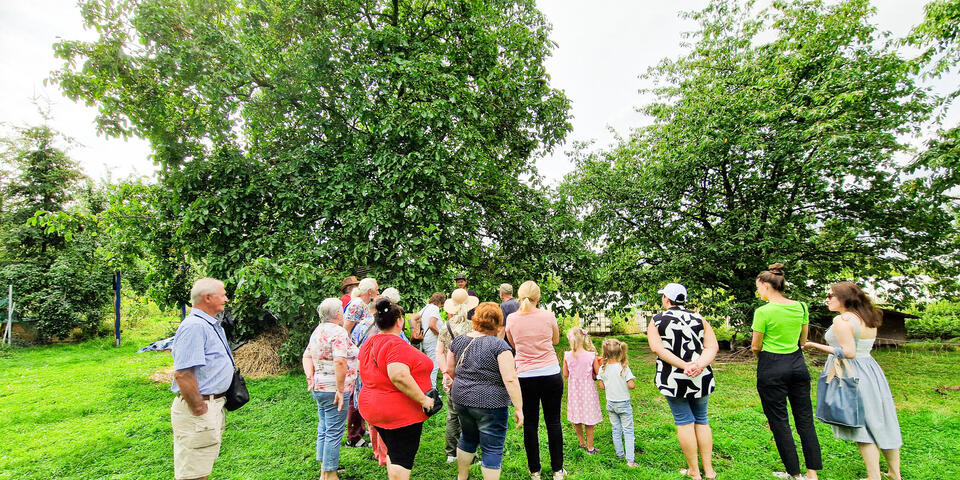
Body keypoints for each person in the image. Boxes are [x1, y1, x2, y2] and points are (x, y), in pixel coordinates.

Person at [803, 282, 902, 480]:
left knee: (862, 425)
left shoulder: (843, 320)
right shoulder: (867, 316)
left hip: (853, 373)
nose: (827, 299)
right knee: (882, 421)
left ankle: (874, 476)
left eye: (831, 295)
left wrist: (814, 345)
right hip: (871, 370)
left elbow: (848, 353)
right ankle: (894, 473)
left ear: (845, 298)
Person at [752, 263, 822, 480]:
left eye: (758, 287)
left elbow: (756, 346)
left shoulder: (763, 312)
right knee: (805, 420)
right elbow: (803, 340)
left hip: (772, 366)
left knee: (779, 421)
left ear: (766, 285)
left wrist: (764, 359)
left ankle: (795, 473)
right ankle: (812, 474)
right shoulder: (801, 307)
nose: (758, 292)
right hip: (797, 364)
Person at [358, 298, 435, 480]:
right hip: (399, 413)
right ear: (399, 321)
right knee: (402, 457)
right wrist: (424, 399)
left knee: (393, 451)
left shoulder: (370, 342)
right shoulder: (395, 344)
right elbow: (398, 375)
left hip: (374, 407)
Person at [445, 302, 524, 480]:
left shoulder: (459, 340)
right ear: (497, 322)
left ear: (476, 320)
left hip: (461, 399)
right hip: (491, 404)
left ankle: (462, 476)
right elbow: (510, 378)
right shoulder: (500, 347)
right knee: (492, 447)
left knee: (467, 438)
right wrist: (518, 407)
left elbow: (450, 370)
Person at [648, 283, 718, 480]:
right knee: (702, 420)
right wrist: (698, 365)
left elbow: (657, 349)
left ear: (666, 299)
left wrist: (683, 366)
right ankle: (709, 470)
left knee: (684, 421)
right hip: (700, 378)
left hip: (673, 379)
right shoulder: (699, 318)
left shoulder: (657, 320)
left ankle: (694, 471)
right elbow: (711, 347)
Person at [170, 278, 234, 480]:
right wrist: (199, 408)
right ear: (208, 298)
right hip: (200, 409)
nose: (226, 298)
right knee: (193, 474)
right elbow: (183, 373)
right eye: (223, 294)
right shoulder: (194, 327)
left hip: (213, 405)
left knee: (201, 470)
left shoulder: (210, 324)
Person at [504, 281, 566, 480]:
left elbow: (513, 344)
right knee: (553, 422)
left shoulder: (512, 319)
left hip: (525, 376)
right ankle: (557, 470)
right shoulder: (548, 316)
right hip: (550, 373)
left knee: (530, 423)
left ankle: (535, 471)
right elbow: (555, 340)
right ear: (538, 297)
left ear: (520, 297)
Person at [302, 298, 359, 480]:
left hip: (319, 388)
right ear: (338, 314)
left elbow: (306, 356)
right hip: (334, 390)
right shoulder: (338, 332)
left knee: (324, 427)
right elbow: (340, 360)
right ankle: (331, 474)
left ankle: (324, 470)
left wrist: (310, 377)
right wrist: (341, 390)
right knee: (334, 431)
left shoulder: (317, 330)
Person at [437, 288, 479, 462]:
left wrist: (445, 372)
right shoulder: (474, 326)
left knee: (452, 414)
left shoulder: (445, 327)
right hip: (471, 375)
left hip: (452, 376)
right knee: (471, 415)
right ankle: (470, 454)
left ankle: (451, 453)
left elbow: (439, 352)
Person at [344, 277, 378, 448]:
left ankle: (361, 427)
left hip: (360, 355)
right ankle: (354, 436)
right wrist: (351, 354)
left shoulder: (362, 305)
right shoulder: (358, 305)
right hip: (355, 356)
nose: (378, 292)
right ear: (370, 291)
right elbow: (346, 329)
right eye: (377, 289)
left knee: (360, 391)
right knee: (355, 394)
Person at [597, 339, 637, 467]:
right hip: (623, 403)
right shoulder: (623, 367)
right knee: (628, 431)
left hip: (611, 403)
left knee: (616, 429)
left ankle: (620, 454)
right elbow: (631, 385)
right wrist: (631, 382)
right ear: (620, 351)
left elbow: (601, 386)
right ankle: (630, 460)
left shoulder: (602, 368)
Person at [562, 327, 602, 454]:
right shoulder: (591, 356)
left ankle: (581, 443)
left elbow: (566, 374)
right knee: (589, 418)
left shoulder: (567, 355)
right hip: (588, 391)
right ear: (583, 339)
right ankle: (590, 447)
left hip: (574, 391)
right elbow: (597, 372)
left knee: (577, 417)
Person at [416, 292, 446, 389]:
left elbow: (414, 319)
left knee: (428, 365)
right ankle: (432, 390)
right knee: (434, 366)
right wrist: (441, 335)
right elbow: (432, 325)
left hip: (425, 339)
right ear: (440, 302)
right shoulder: (434, 309)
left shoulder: (425, 308)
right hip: (432, 340)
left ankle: (427, 387)